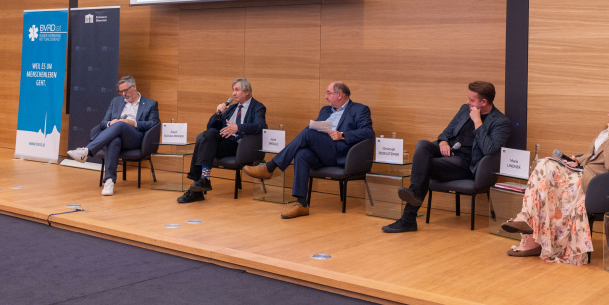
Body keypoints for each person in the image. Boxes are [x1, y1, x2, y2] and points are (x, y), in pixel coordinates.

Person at [501, 90, 609, 265]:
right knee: (545, 164)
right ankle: (529, 224)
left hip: (599, 187)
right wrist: (576, 160)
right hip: (583, 173)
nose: (608, 115)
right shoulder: (607, 131)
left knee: (549, 177)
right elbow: (593, 156)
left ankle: (530, 226)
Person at [382, 81, 510, 233]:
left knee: (424, 167)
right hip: (449, 152)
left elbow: (490, 149)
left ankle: (408, 218)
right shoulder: (464, 109)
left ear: (483, 102)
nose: (467, 102)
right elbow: (446, 132)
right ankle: (414, 193)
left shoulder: (501, 122)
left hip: (466, 163)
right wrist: (443, 142)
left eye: (472, 100)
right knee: (422, 145)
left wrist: (477, 121)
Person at [242, 81, 374, 219]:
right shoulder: (325, 110)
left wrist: (343, 135)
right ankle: (302, 204)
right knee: (302, 154)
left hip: (341, 153)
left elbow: (367, 131)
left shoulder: (359, 109)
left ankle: (270, 167)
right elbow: (315, 130)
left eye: (328, 93)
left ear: (340, 95)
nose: (325, 96)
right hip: (322, 150)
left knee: (307, 133)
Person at [178, 77, 267, 203]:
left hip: (240, 146)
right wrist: (218, 113)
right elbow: (210, 128)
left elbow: (260, 126)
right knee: (207, 135)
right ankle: (202, 180)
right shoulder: (231, 108)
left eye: (236, 90)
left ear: (247, 91)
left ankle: (198, 186)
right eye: (233, 90)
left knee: (202, 142)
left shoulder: (258, 107)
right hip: (223, 142)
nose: (233, 93)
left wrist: (238, 128)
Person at [67, 76, 160, 196]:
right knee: (114, 140)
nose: (123, 94)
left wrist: (132, 123)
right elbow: (103, 123)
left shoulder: (150, 104)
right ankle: (109, 182)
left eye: (126, 90)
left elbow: (153, 123)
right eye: (121, 91)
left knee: (121, 124)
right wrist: (111, 123)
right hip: (116, 136)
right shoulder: (116, 102)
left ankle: (87, 150)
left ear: (134, 86)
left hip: (137, 139)